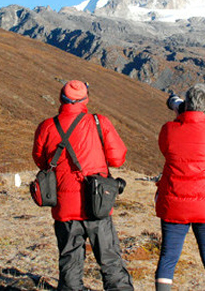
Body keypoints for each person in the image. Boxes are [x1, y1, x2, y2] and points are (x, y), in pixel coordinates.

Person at [33, 80, 134, 291]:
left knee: (70, 262)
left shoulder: (47, 126)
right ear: (85, 99)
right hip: (97, 204)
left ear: (62, 98)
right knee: (110, 260)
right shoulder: (99, 123)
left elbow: (41, 161)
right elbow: (117, 159)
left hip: (64, 207)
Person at [154, 83, 205, 291]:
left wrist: (180, 114)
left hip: (174, 204)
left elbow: (166, 148)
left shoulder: (169, 130)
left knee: (168, 258)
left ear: (187, 103)